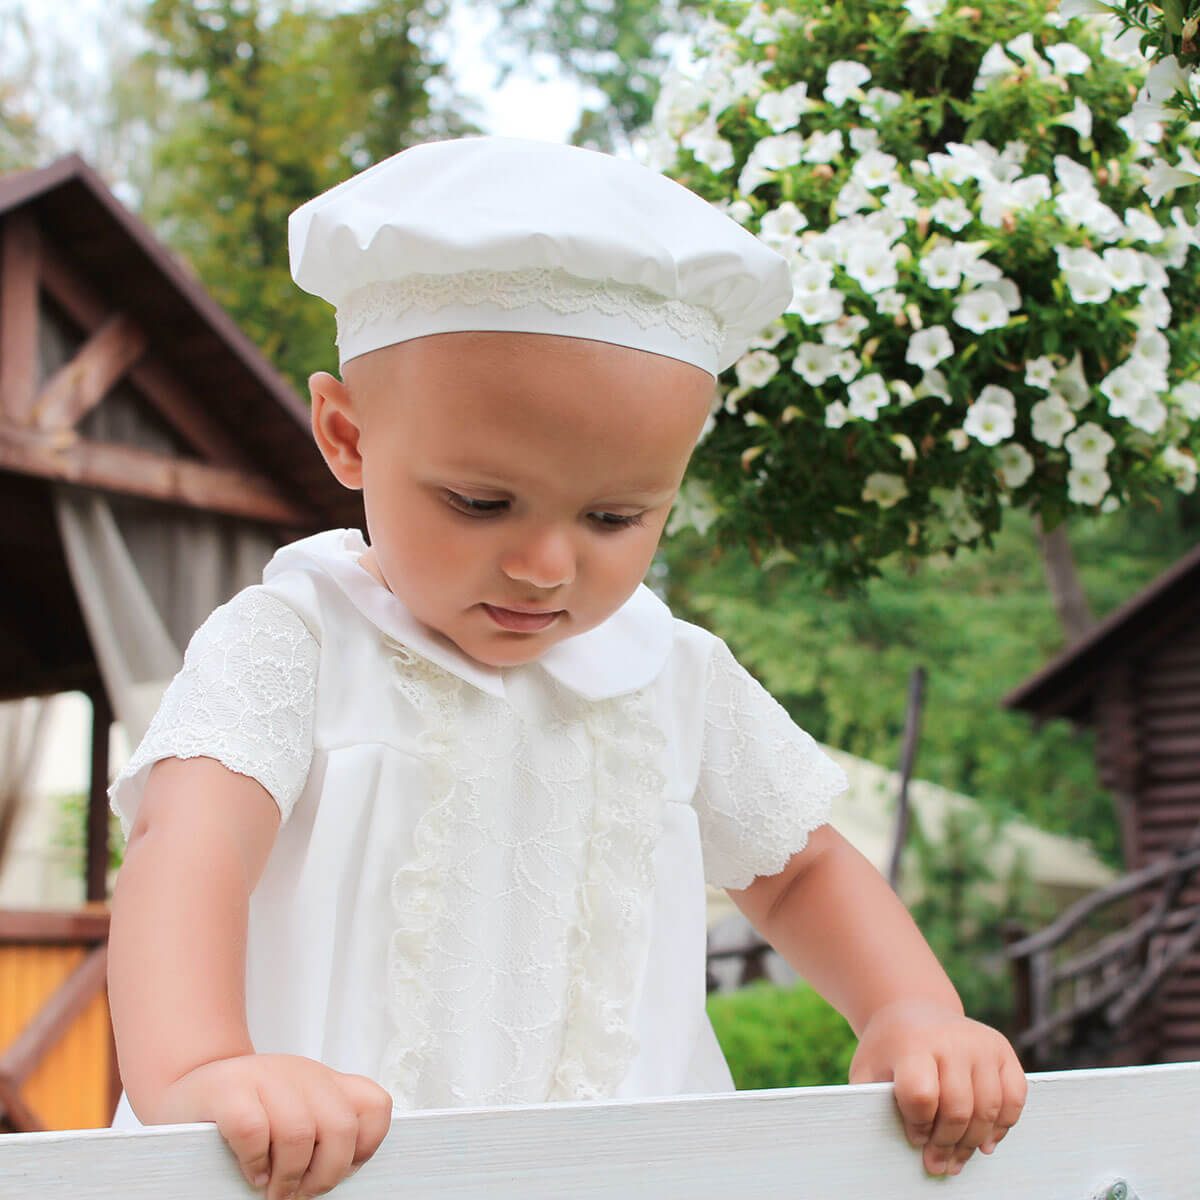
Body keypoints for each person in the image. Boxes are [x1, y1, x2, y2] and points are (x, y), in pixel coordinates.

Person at [105, 135, 1026, 1200]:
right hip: (311, 1170)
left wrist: (909, 1007)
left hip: (623, 1175)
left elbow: (802, 866)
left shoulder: (674, 674)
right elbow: (191, 843)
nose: (545, 566)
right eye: (479, 502)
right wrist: (202, 1066)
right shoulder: (299, 640)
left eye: (614, 516)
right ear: (347, 435)